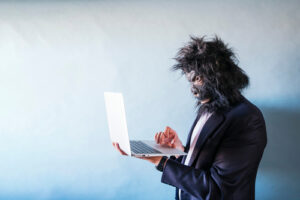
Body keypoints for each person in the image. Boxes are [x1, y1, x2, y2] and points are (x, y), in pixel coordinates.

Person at [113, 36, 267, 200]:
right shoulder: (209, 107)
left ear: (219, 74)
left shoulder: (248, 118)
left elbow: (218, 189)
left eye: (198, 79)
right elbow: (201, 166)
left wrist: (160, 161)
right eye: (190, 81)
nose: (192, 90)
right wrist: (180, 152)